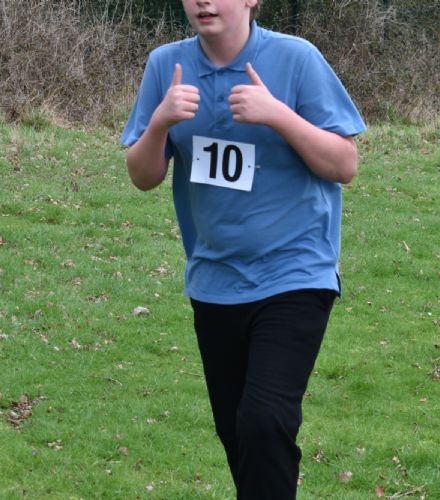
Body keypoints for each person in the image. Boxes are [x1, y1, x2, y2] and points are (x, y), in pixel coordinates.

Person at [121, 0, 366, 498]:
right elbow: (143, 177)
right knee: (237, 433)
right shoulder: (166, 65)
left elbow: (344, 164)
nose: (203, 2)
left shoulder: (296, 58)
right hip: (214, 279)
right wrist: (160, 123)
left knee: (264, 420)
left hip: (296, 272)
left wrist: (278, 116)